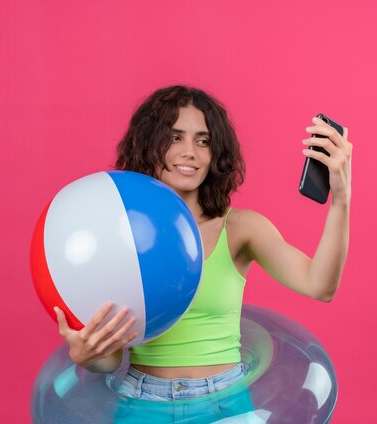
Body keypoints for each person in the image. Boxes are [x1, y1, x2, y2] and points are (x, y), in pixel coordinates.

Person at [53, 85, 352, 421]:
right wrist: (85, 353)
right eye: (175, 137)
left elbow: (320, 285)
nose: (190, 152)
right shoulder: (121, 234)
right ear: (149, 145)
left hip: (225, 401)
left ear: (216, 153)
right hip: (143, 399)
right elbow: (109, 358)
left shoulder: (241, 228)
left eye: (203, 140)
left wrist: (341, 198)